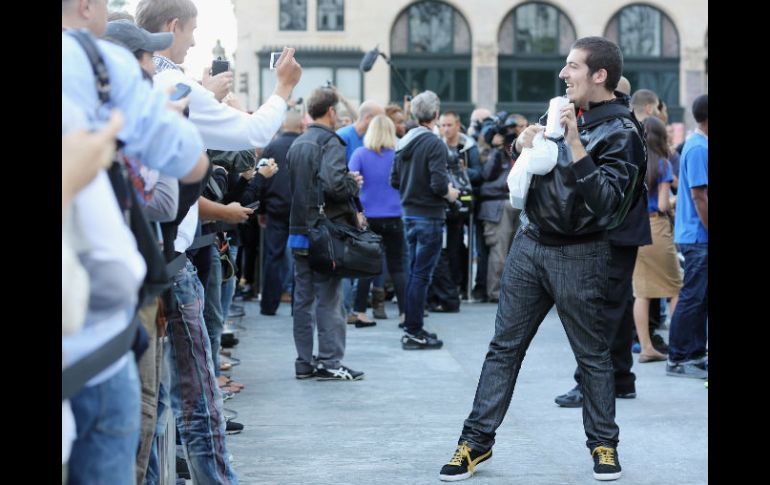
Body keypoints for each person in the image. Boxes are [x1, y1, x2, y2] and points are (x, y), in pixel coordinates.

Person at [439, 37, 645, 482]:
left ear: (599, 75)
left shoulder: (624, 132)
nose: (562, 74)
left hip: (581, 252)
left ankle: (604, 445)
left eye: (571, 66)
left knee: (592, 354)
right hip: (530, 245)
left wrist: (574, 144)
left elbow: (609, 204)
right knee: (503, 348)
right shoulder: (559, 108)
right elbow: (533, 164)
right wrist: (522, 144)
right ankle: (474, 443)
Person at [287, 87, 365, 380]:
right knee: (330, 299)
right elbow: (334, 185)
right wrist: (352, 183)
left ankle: (304, 362)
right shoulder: (330, 142)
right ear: (331, 111)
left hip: (299, 231)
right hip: (324, 233)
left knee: (303, 300)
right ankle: (330, 361)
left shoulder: (299, 142)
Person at [391, 90, 459, 350]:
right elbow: (439, 183)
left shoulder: (403, 141)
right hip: (429, 215)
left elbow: (394, 180)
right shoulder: (433, 143)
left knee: (414, 273)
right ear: (436, 114)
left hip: (408, 214)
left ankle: (412, 327)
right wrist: (451, 194)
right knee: (421, 275)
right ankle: (413, 331)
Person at [632, 116, 682, 363]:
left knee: (642, 292)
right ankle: (679, 345)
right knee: (675, 288)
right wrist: (673, 203)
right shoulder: (662, 164)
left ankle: (645, 347)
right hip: (657, 228)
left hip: (636, 228)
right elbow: (663, 203)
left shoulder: (634, 160)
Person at [666, 94, 708, 379]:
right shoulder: (697, 148)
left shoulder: (698, 146)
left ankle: (693, 353)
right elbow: (699, 195)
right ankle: (678, 356)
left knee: (699, 296)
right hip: (697, 236)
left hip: (697, 235)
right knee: (692, 296)